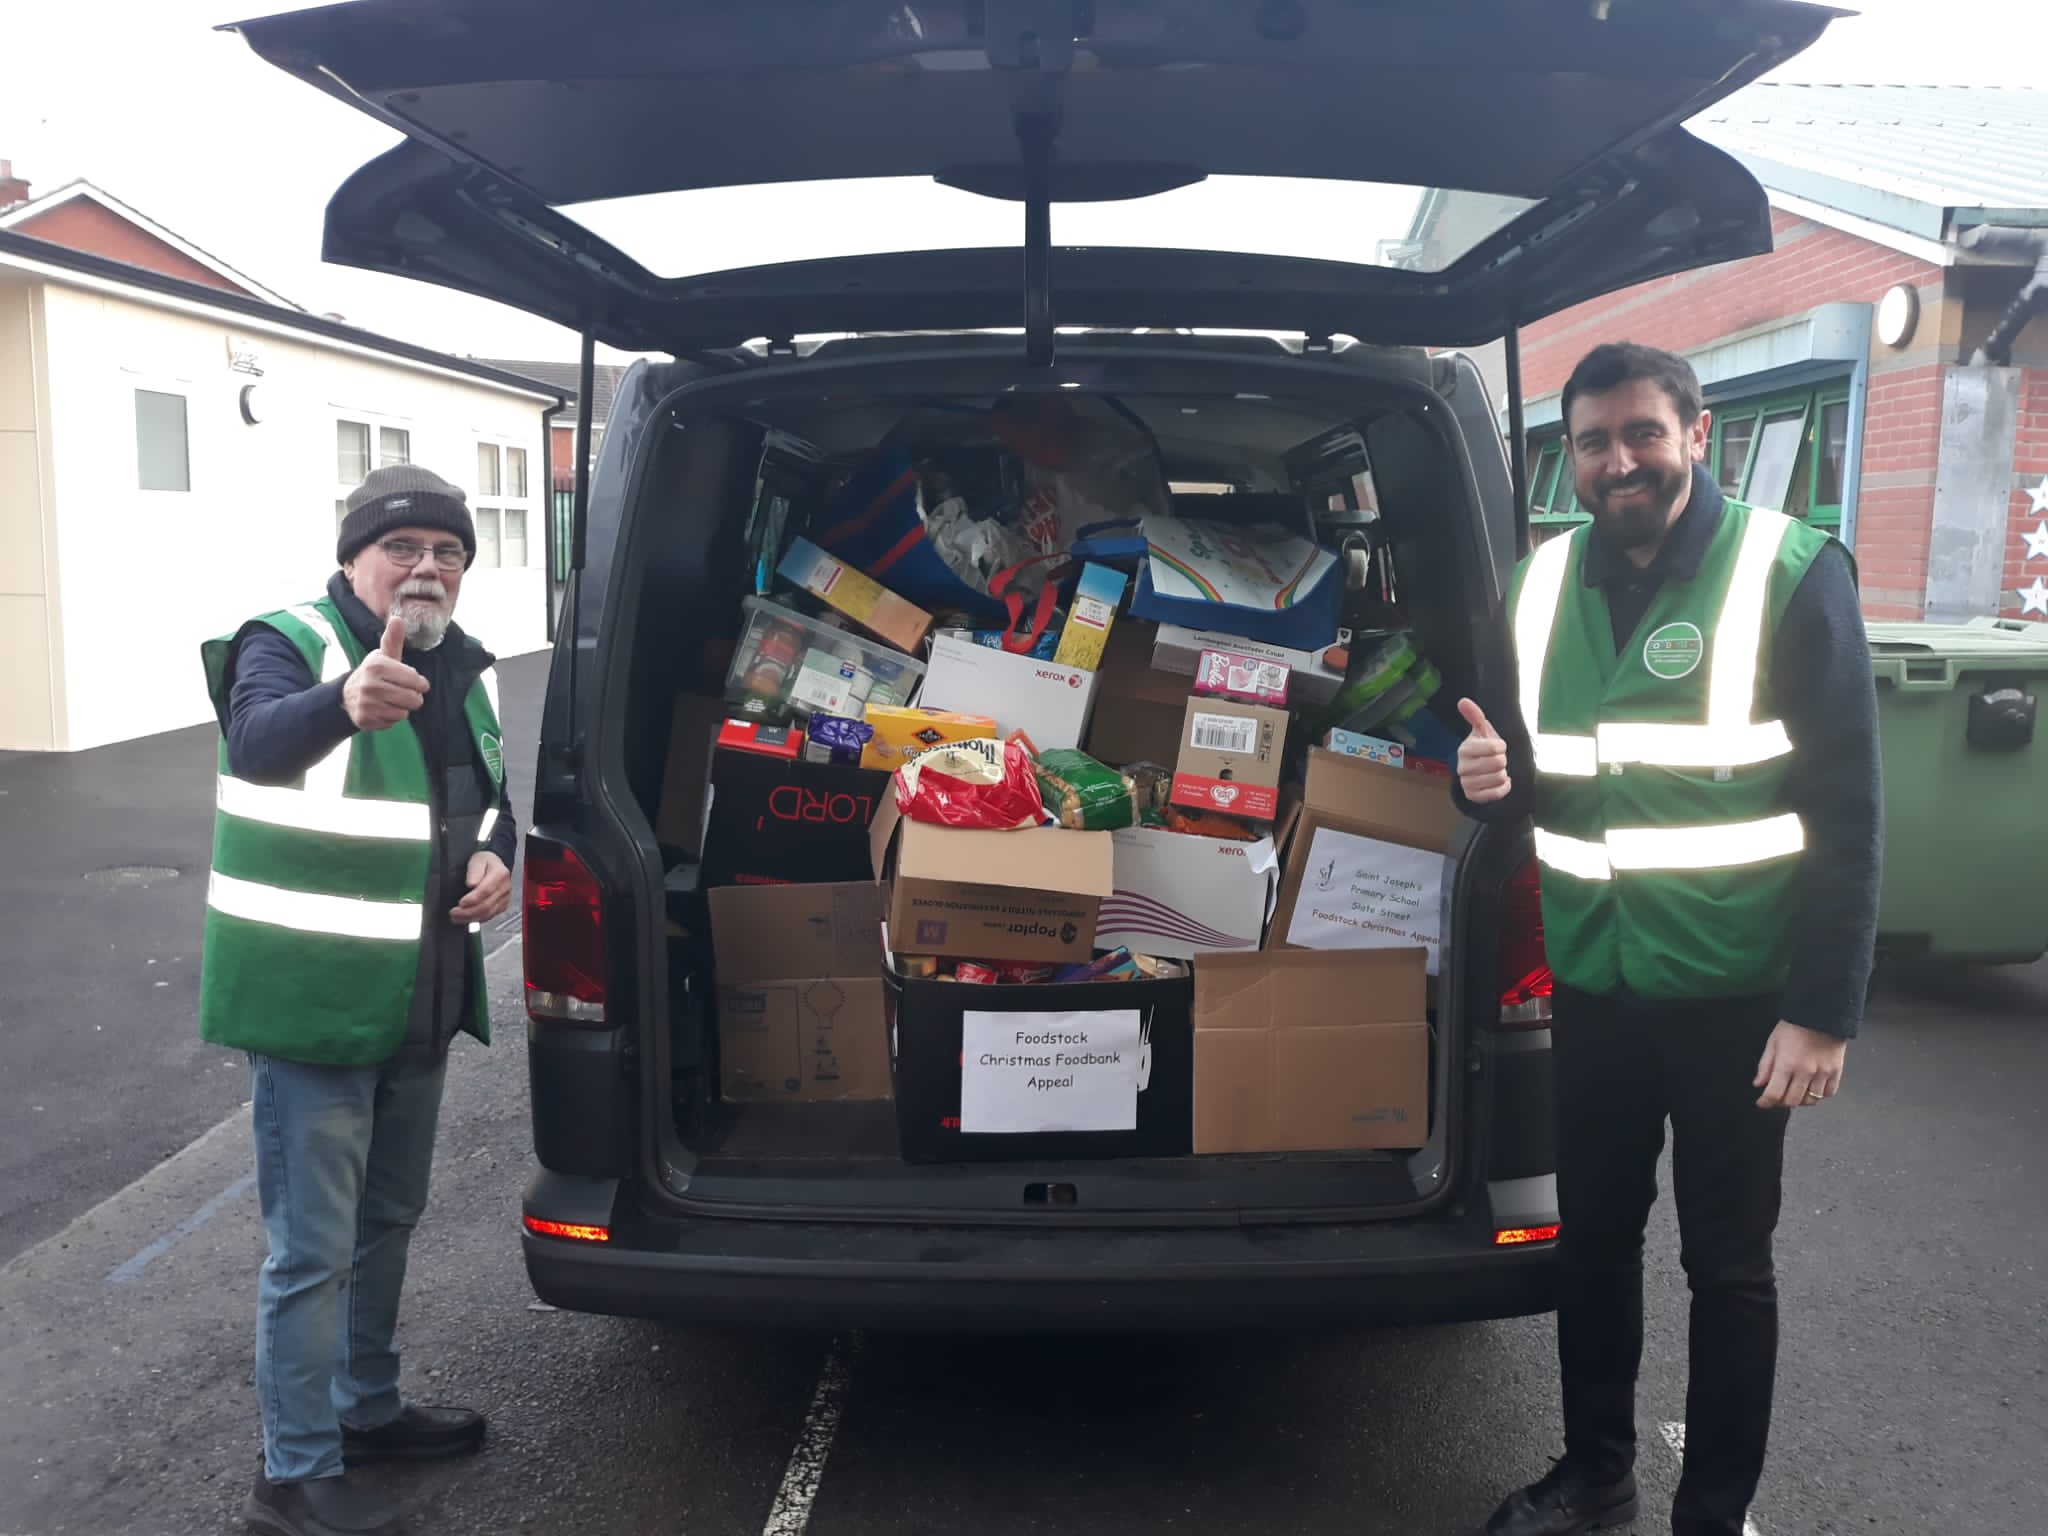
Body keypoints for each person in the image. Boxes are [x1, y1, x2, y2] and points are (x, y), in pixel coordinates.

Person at [1459, 344, 1882, 1536]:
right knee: (1589, 1245)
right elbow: (1545, 780)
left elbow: (1849, 808)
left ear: (1697, 434)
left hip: (1738, 1001)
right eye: (1592, 441)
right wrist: (1486, 784)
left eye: (1641, 432)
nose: (1617, 460)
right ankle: (1595, 1473)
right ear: (1569, 456)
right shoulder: (1539, 584)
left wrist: (1822, 1010)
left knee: (1726, 1267)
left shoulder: (1788, 572)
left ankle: (1711, 1511)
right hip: (1594, 982)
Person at [198, 464, 515, 1536]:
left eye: (449, 551)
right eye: (403, 547)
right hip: (312, 1006)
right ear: (353, 559)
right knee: (311, 1251)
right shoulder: (286, 642)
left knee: (388, 1220)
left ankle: (367, 1411)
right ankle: (292, 1473)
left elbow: (489, 804)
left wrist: (493, 858)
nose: (427, 566)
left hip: (417, 1000)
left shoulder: (468, 671)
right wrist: (341, 704)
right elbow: (255, 742)